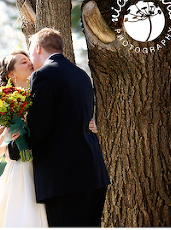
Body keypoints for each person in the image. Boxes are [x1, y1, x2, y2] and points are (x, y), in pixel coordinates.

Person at [0, 50, 101, 227]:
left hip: (49, 169)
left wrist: (89, 123)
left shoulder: (40, 92)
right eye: (23, 62)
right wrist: (7, 134)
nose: (30, 63)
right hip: (22, 172)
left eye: (29, 60)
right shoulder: (3, 102)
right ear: (11, 73)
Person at [11, 27, 110, 227]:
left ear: (37, 47)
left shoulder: (44, 75)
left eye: (30, 52)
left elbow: (40, 125)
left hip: (66, 178)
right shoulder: (81, 74)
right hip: (94, 172)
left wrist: (14, 149)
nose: (31, 59)